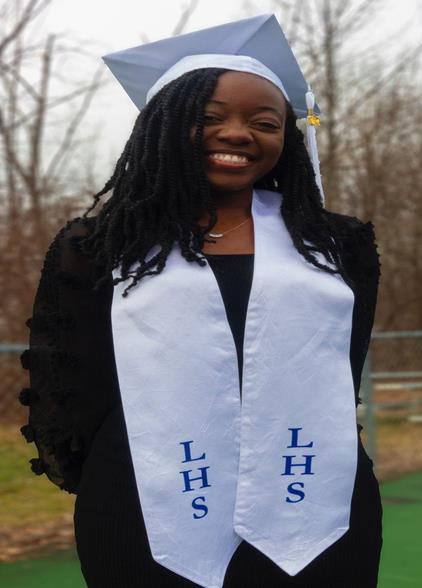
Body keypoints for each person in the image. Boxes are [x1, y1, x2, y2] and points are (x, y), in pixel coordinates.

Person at [19, 14, 382, 588]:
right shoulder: (99, 245)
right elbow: (73, 385)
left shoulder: (336, 244)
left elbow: (340, 366)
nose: (238, 133)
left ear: (286, 136)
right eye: (208, 117)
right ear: (161, 128)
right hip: (147, 498)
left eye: (264, 121)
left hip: (313, 500)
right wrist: (107, 477)